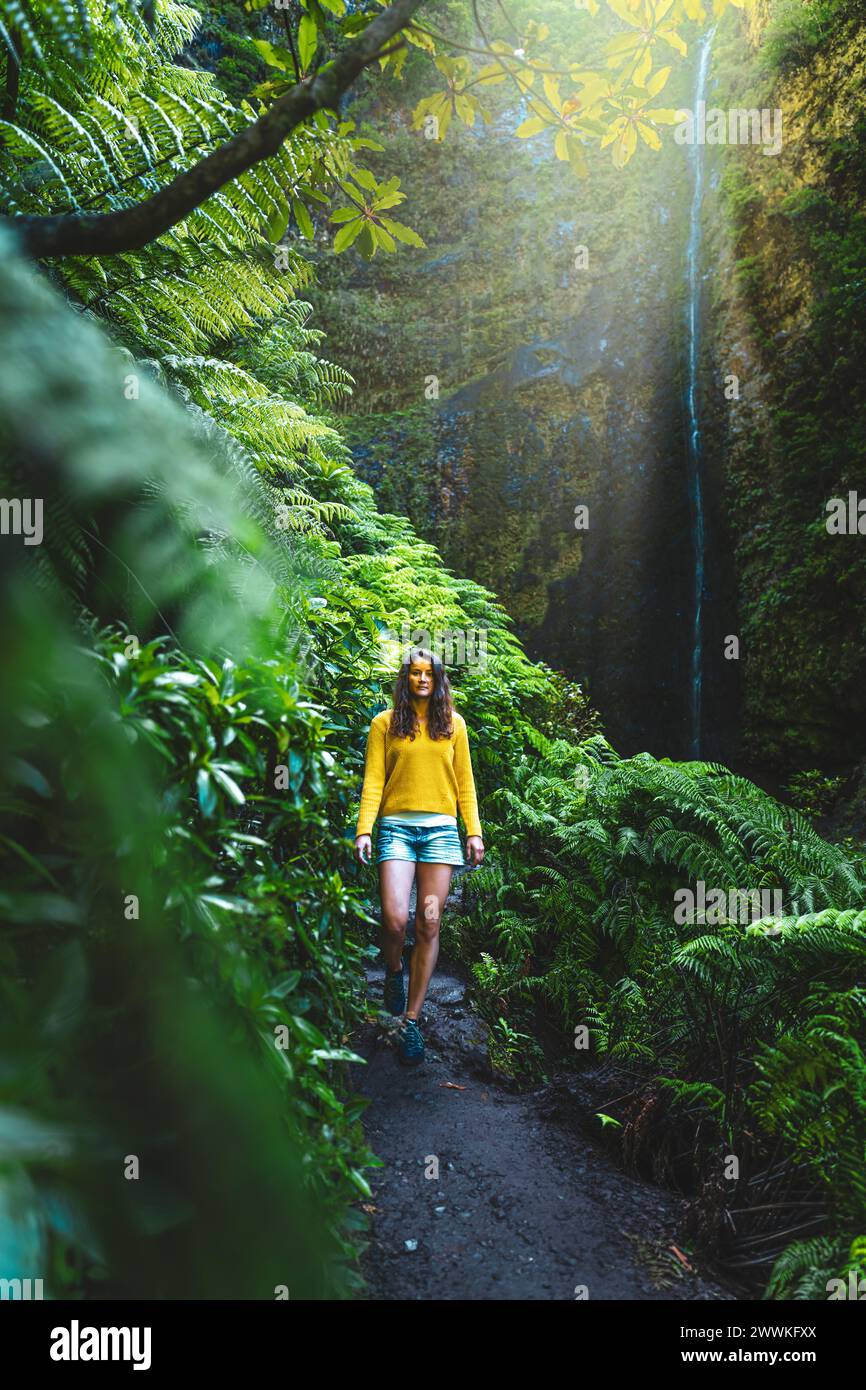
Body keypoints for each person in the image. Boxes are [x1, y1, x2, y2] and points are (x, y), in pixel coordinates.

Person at [354, 647, 485, 1066]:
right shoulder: (385, 724)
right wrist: (364, 829)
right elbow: (374, 780)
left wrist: (473, 832)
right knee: (394, 918)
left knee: (428, 920)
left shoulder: (454, 726)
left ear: (439, 678)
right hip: (395, 830)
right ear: (406, 678)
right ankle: (394, 971)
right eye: (415, 673)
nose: (423, 679)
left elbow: (465, 783)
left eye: (430, 673)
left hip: (441, 835)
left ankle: (411, 1020)